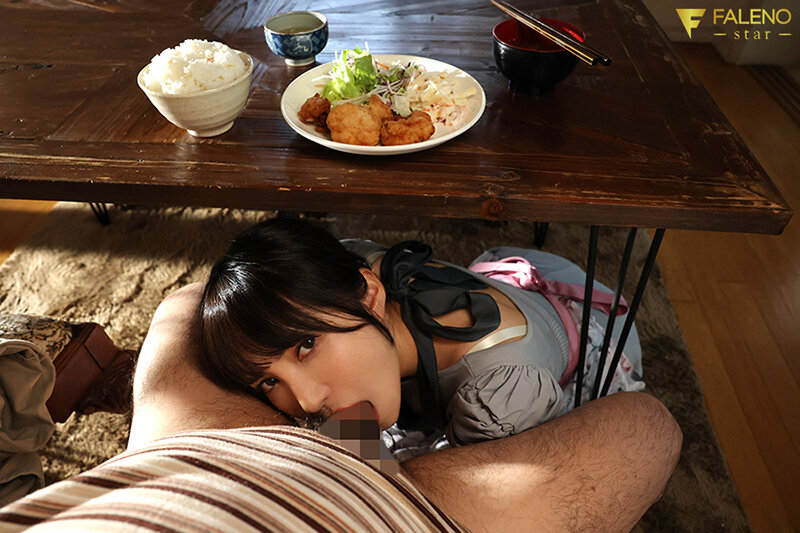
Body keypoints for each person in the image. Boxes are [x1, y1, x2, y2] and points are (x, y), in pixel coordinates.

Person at [199, 218, 644, 451]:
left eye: (307, 344)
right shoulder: (338, 271)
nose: (307, 402)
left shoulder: (499, 394)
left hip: (586, 335)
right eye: (268, 381)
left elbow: (438, 501)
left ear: (370, 293)